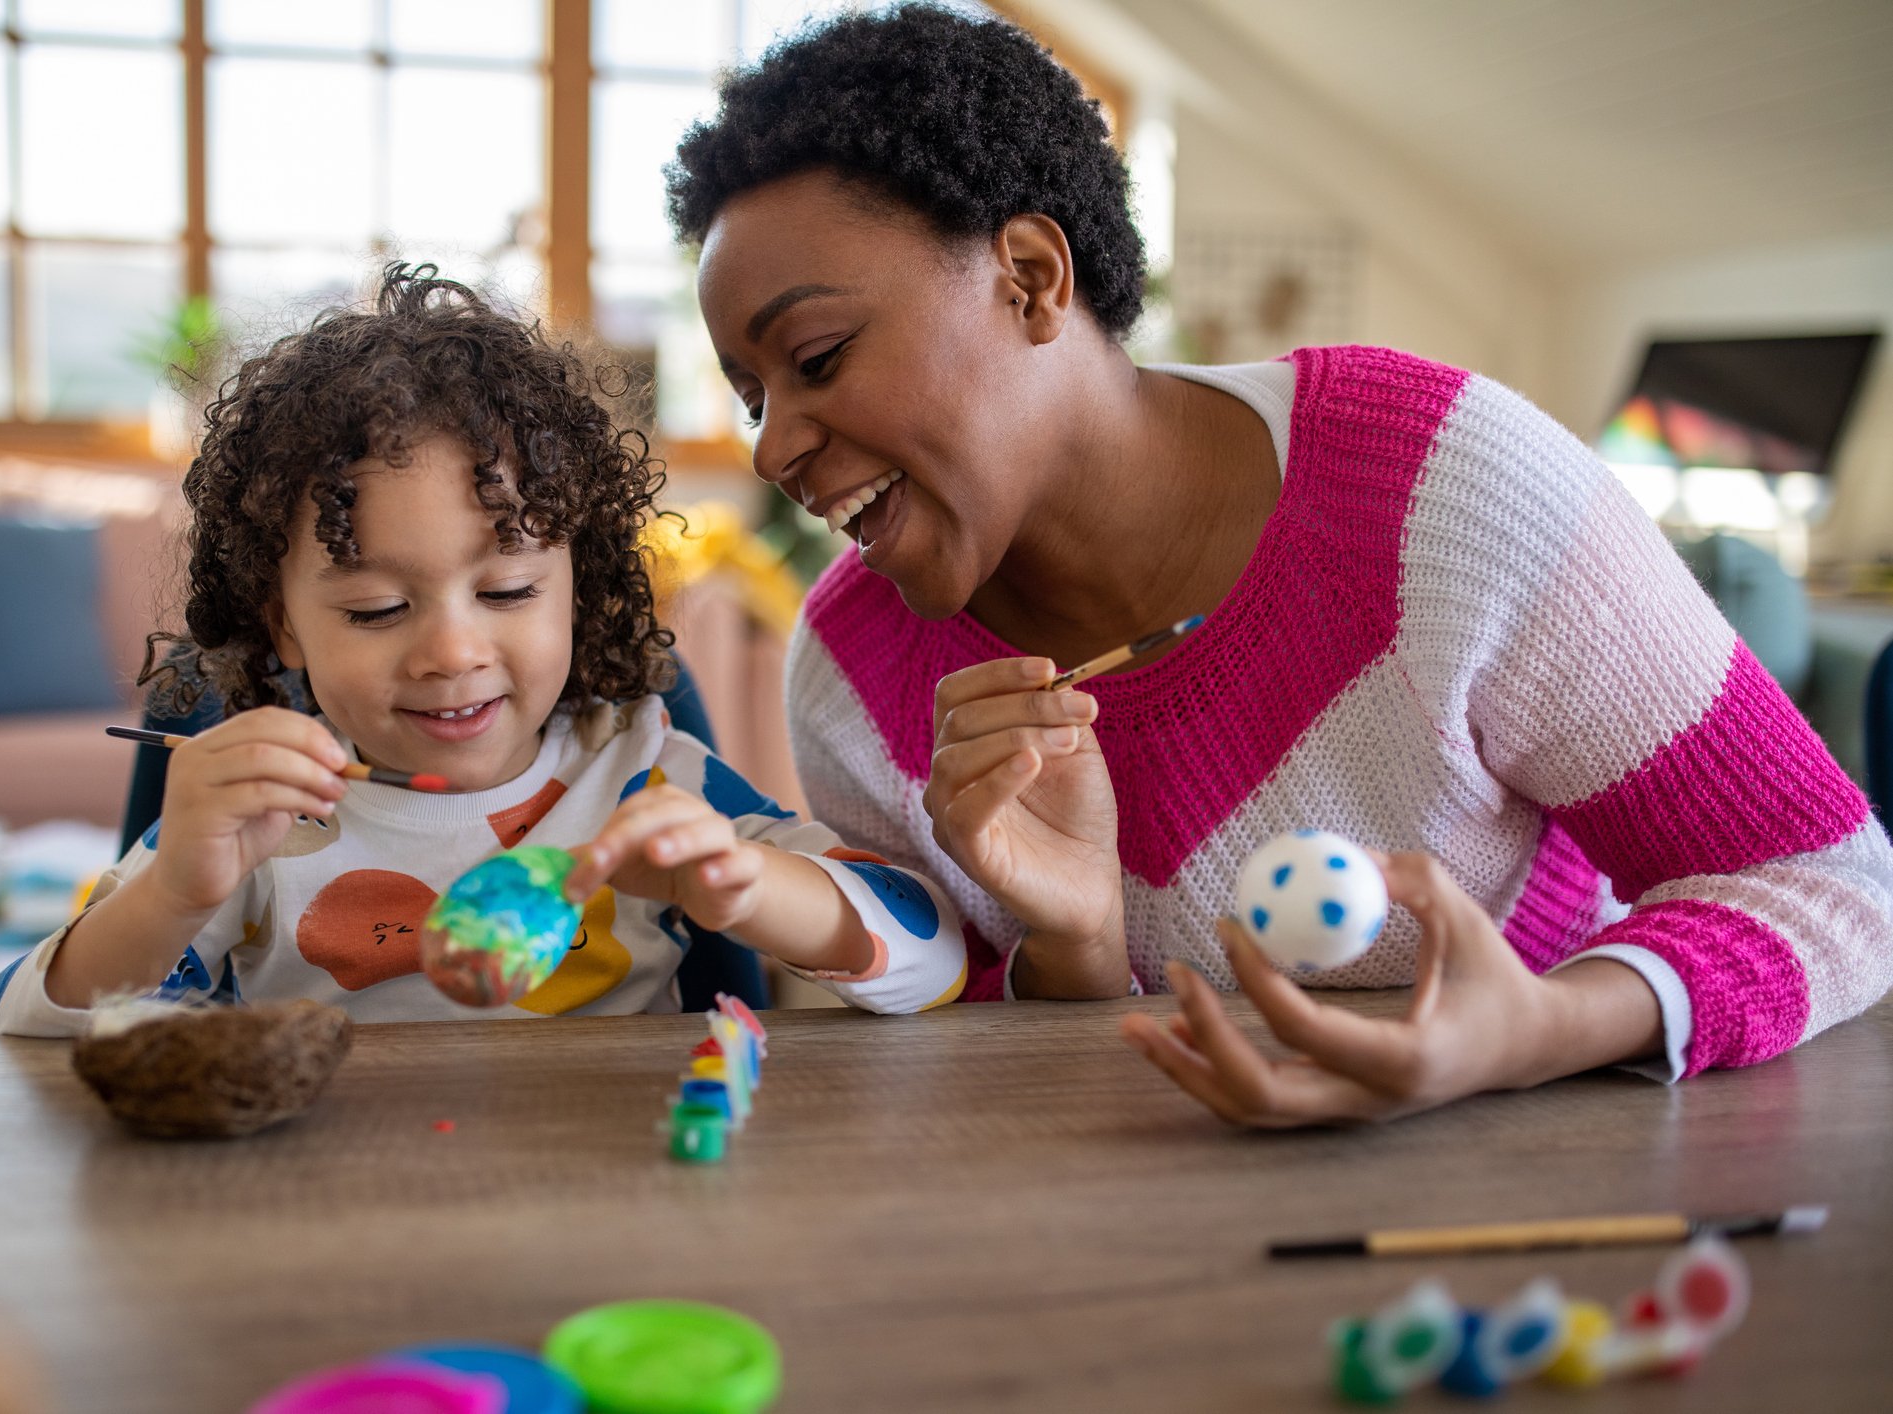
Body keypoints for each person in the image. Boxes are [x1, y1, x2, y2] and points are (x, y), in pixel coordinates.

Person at [665, 5, 1893, 1123]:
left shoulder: (1441, 489)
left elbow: (1828, 879)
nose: (772, 446)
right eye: (749, 392)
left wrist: (1539, 1027)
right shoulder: (852, 675)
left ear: (1031, 277)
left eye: (816, 357)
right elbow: (990, 1097)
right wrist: (1079, 943)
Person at [0, 266, 967, 1037]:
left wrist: (755, 889)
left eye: (507, 591)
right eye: (373, 609)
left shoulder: (643, 773)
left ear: (580, 586)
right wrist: (174, 890)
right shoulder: (260, 824)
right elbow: (12, 1037)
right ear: (282, 623)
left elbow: (932, 952)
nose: (452, 650)